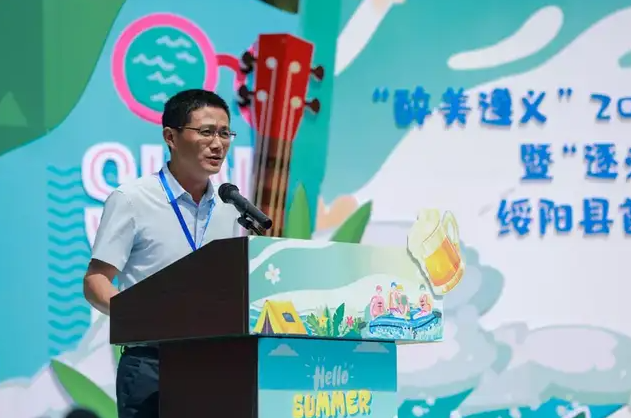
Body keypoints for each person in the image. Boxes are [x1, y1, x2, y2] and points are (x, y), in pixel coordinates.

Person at [83, 89, 241, 418]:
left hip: (213, 362)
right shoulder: (132, 199)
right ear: (171, 137)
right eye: (207, 132)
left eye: (225, 133)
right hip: (151, 362)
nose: (218, 144)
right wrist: (142, 318)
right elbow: (96, 280)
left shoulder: (228, 206)